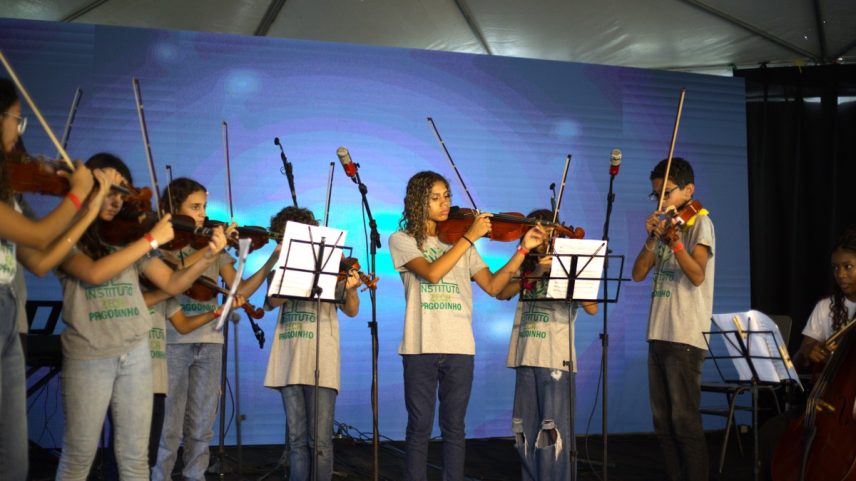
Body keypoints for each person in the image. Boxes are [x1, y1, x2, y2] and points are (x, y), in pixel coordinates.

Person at [55, 153, 228, 480]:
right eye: (107, 190)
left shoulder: (130, 239)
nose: (116, 200)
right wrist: (149, 240)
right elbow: (94, 273)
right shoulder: (70, 237)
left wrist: (208, 256)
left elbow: (172, 283)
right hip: (89, 352)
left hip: (135, 352)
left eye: (122, 192)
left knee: (136, 459)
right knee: (79, 456)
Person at [388, 171, 545, 481]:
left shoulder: (463, 244)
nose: (445, 203)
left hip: (460, 347)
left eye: (447, 196)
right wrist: (468, 238)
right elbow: (432, 273)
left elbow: (496, 287)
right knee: (419, 427)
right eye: (435, 198)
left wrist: (523, 251)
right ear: (418, 202)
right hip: (420, 346)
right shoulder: (403, 240)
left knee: (454, 428)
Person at [0, 77, 99, 481]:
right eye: (16, 119)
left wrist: (86, 212)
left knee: (12, 461)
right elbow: (39, 236)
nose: (19, 130)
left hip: (9, 315)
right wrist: (77, 195)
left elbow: (40, 260)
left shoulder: (10, 194)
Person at [152, 177, 281, 481]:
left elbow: (240, 289)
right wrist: (212, 247)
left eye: (204, 207)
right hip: (173, 340)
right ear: (174, 209)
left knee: (201, 426)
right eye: (195, 207)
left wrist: (270, 262)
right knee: (168, 427)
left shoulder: (215, 248)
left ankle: (195, 476)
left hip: (210, 341)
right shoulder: (163, 246)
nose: (203, 214)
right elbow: (174, 272)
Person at [496, 209, 597, 481]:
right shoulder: (525, 264)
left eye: (549, 233)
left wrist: (567, 274)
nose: (544, 238)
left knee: (554, 432)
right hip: (525, 354)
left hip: (556, 358)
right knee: (525, 431)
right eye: (537, 233)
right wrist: (538, 271)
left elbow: (592, 308)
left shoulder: (571, 263)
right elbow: (502, 292)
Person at [262, 206, 361, 481]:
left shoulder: (330, 268)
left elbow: (352, 310)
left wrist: (351, 290)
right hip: (289, 357)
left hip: (322, 358)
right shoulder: (280, 271)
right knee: (296, 440)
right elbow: (272, 301)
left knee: (320, 442)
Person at [631, 157, 715, 481]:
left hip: (685, 335)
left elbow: (697, 275)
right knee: (663, 424)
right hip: (658, 333)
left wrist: (676, 242)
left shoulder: (700, 223)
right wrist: (653, 238)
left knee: (685, 423)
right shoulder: (665, 226)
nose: (661, 201)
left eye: (666, 193)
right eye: (656, 195)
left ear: (688, 190)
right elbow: (638, 273)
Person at [794, 227, 856, 372]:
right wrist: (808, 352)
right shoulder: (825, 307)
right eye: (835, 268)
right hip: (836, 385)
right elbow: (796, 361)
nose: (840, 274)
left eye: (848, 266)